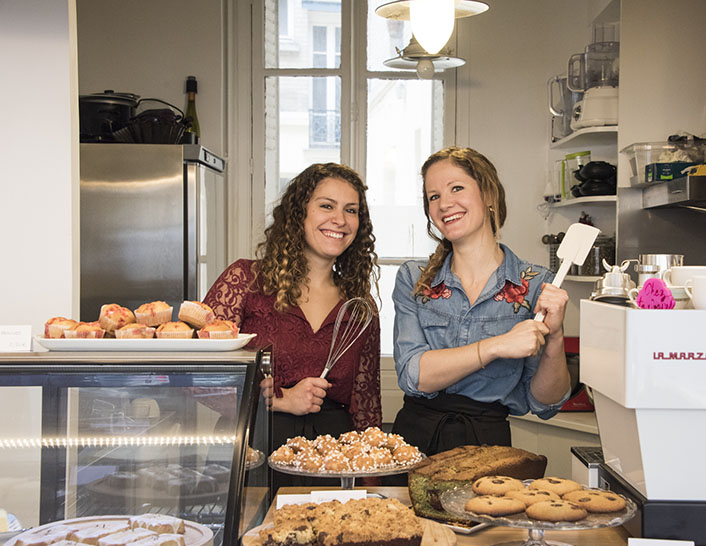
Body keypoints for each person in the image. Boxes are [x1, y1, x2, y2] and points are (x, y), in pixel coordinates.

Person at [203, 162, 381, 485]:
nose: (339, 220)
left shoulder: (359, 308)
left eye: (351, 210)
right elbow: (198, 378)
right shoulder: (244, 281)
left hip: (334, 464)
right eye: (326, 206)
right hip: (255, 455)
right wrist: (282, 399)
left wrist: (370, 487)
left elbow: (367, 411)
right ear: (298, 213)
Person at [391, 146, 571, 457]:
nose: (445, 203)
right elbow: (414, 375)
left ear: (488, 194)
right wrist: (498, 345)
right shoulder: (415, 278)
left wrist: (554, 337)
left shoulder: (536, 284)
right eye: (433, 197)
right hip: (415, 442)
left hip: (489, 446)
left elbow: (545, 403)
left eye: (456, 188)